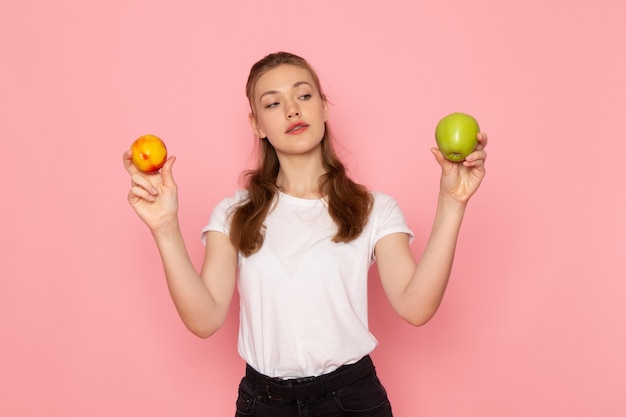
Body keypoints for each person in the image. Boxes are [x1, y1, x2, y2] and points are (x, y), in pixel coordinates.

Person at [123, 51, 487, 417]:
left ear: (324, 108)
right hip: (263, 403)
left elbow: (416, 306)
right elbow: (204, 320)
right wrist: (165, 228)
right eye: (273, 103)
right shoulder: (234, 213)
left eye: (304, 95)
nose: (292, 110)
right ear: (257, 125)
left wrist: (452, 202)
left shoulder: (374, 208)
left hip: (352, 400)